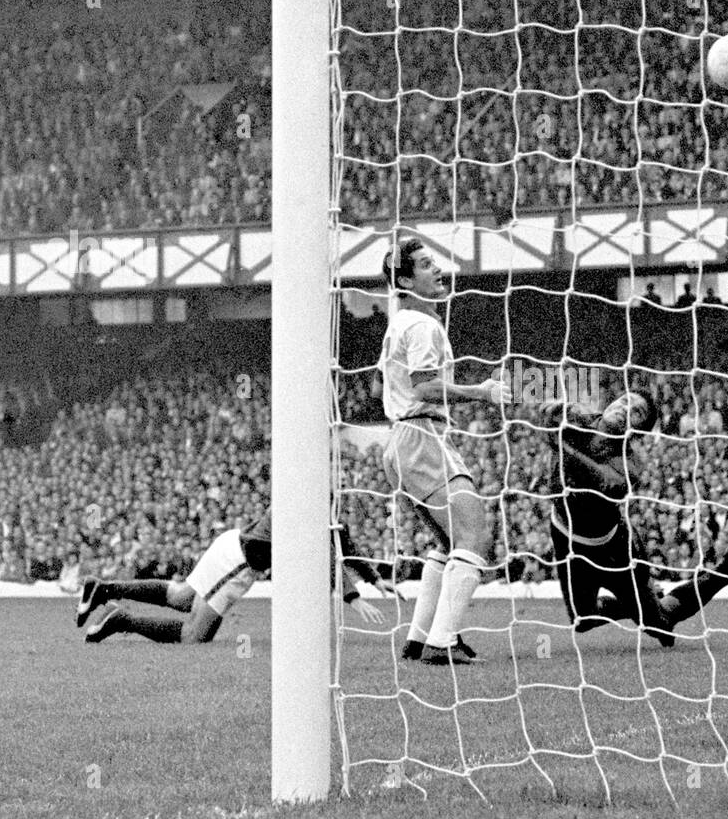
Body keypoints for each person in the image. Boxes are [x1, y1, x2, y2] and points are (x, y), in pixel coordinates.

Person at [545, 390, 728, 645]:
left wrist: (564, 448)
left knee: (659, 625)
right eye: (624, 401)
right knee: (582, 620)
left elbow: (608, 483)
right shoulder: (576, 420)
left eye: (636, 412)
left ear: (637, 430)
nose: (625, 409)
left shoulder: (631, 464)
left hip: (614, 550)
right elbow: (547, 411)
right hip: (565, 537)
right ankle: (643, 602)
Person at [381, 236, 512, 665]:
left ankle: (421, 638)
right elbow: (424, 387)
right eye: (423, 265)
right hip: (420, 435)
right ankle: (443, 642)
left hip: (404, 440)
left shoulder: (404, 323)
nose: (437, 270)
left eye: (434, 262)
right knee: (474, 532)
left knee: (446, 539)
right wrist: (481, 391)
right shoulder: (421, 325)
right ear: (404, 280)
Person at [79, 509, 388, 643]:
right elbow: (323, 551)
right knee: (192, 636)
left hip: (231, 545)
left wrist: (373, 578)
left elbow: (339, 538)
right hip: (238, 562)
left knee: (180, 597)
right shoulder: (303, 500)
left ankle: (104, 589)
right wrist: (354, 598)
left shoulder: (313, 494)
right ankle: (120, 619)